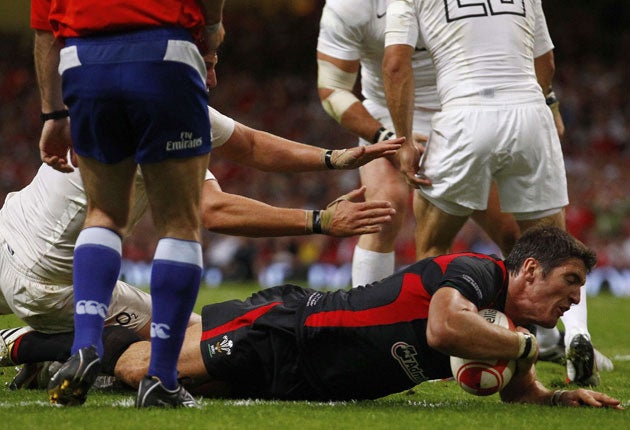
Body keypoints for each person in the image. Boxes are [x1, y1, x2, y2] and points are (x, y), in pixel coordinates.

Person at [0, 50, 400, 375]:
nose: (211, 79)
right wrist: (320, 220)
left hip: (8, 233)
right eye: (205, 63)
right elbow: (215, 210)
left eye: (214, 64)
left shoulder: (112, 84)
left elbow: (252, 144)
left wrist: (333, 159)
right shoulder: (174, 116)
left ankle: (48, 343)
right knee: (193, 341)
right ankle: (28, 345)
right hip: (49, 284)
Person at [6, 227, 623, 409]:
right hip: (292, 333)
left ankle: (38, 343)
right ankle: (30, 345)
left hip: (307, 374)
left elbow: (518, 385)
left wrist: (551, 399)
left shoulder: (514, 328)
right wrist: (522, 350)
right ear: (530, 271)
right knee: (148, 365)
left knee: (174, 342)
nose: (573, 301)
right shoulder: (475, 271)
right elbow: (442, 329)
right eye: (569, 283)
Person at [381, 0, 611, 386]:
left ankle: (437, 352)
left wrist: (402, 139)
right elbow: (546, 63)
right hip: (528, 112)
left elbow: (394, 64)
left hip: (465, 114)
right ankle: (577, 334)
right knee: (555, 246)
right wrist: (549, 103)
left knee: (433, 244)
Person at [31, 0, 228, 408]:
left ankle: (84, 346)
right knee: (179, 223)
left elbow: (44, 32)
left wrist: (52, 113)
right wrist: (211, 30)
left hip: (84, 63)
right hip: (163, 53)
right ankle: (162, 378)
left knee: (102, 213)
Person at [316, 0, 522, 289]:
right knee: (383, 208)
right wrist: (387, 138)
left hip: (460, 109)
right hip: (386, 113)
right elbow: (333, 89)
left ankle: (543, 330)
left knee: (511, 229)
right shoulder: (349, 6)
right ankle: (368, 323)